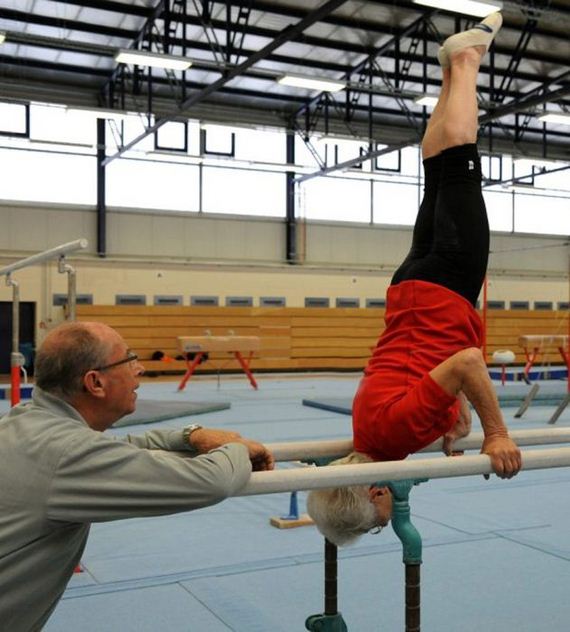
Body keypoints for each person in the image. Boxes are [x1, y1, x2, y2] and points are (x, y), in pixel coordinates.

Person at [307, 12, 522, 547]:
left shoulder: (394, 438)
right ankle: (451, 69)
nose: (394, 502)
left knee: (462, 159)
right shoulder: (368, 433)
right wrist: (455, 413)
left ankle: (468, 61)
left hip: (445, 289)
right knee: (438, 170)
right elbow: (425, 373)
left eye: (384, 510)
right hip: (410, 291)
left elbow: (466, 361)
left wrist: (496, 432)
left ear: (374, 490)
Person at [0, 320, 274, 631]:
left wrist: (192, 436)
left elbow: (114, 449)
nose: (140, 369)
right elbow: (211, 482)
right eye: (130, 359)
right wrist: (238, 447)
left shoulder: (22, 421)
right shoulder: (68, 454)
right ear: (95, 383)